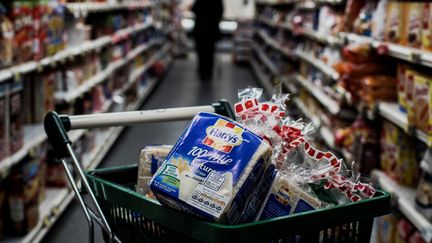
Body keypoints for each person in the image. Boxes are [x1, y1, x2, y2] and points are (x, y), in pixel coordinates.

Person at [192, 0, 224, 81]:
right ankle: (209, 72)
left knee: (201, 52)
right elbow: (221, 12)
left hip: (200, 30)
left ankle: (202, 71)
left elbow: (194, 9)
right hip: (211, 30)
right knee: (210, 52)